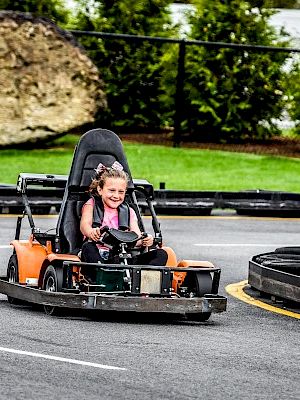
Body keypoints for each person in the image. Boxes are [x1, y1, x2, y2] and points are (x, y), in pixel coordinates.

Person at [80, 161, 167, 281]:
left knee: (161, 254)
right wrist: (91, 232)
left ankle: (143, 283)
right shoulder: (92, 205)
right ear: (100, 190)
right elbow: (84, 225)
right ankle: (104, 281)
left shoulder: (128, 211)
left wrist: (145, 240)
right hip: (100, 255)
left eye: (121, 192)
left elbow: (136, 236)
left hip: (125, 256)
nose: (116, 195)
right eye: (111, 190)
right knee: (88, 247)